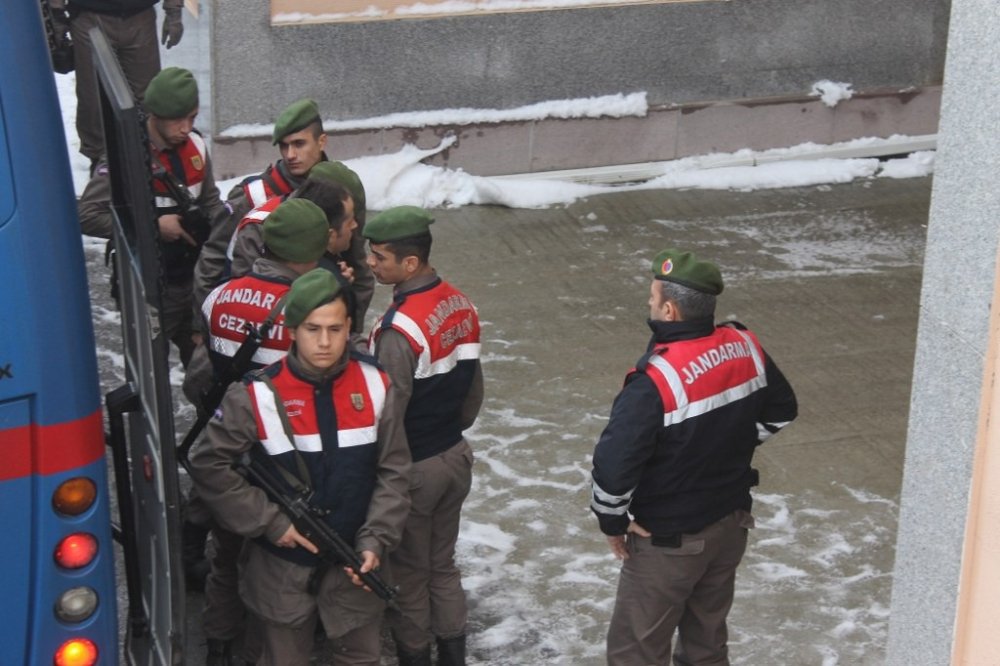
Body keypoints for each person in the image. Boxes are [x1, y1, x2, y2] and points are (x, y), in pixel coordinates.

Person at [189, 268, 411, 666]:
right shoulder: (254, 394)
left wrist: (376, 540)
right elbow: (208, 463)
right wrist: (271, 522)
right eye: (312, 329)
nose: (324, 342)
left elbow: (394, 472)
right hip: (281, 571)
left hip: (355, 565)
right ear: (292, 330)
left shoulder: (377, 385)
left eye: (335, 329)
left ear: (349, 328)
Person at [589, 248, 798, 666]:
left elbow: (614, 470)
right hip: (730, 527)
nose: (649, 304)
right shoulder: (745, 345)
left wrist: (612, 521)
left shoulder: (655, 381)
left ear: (668, 309)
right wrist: (728, 444)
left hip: (669, 541)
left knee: (637, 652)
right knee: (706, 645)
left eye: (652, 298)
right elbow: (782, 410)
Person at [183, 198, 333, 665]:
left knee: (226, 557)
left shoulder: (219, 297)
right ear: (312, 252)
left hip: (228, 447)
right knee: (278, 567)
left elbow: (198, 378)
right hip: (287, 461)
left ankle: (219, 644)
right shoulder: (309, 312)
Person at [364, 206, 483, 666]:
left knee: (410, 577)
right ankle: (453, 654)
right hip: (454, 456)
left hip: (414, 467)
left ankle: (415, 656)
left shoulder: (400, 329)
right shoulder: (461, 303)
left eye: (379, 257)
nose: (371, 264)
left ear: (409, 264)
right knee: (442, 566)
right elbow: (473, 392)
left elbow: (388, 414)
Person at [77, 66, 228, 368]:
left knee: (206, 368)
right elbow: (87, 215)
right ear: (155, 115)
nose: (186, 128)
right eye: (177, 120)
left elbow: (211, 201)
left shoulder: (196, 145)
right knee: (150, 371)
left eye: (193, 118)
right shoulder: (125, 157)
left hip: (197, 280)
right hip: (151, 288)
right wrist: (152, 226)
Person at [47, 0, 184, 171]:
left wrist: (174, 13)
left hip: (139, 16)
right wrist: (56, 14)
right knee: (93, 99)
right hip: (90, 16)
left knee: (148, 97)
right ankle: (99, 161)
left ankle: (146, 161)